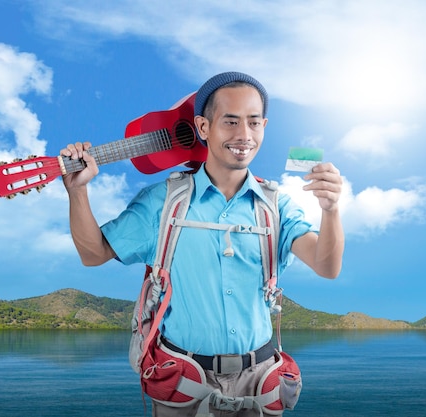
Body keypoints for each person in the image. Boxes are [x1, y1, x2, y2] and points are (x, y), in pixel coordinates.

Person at [60, 72, 345, 416]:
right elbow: (93, 254)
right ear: (203, 127)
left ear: (265, 126)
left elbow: (327, 267)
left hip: (261, 383)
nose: (244, 135)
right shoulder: (163, 203)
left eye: (254, 123)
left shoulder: (277, 207)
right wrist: (78, 191)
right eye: (230, 121)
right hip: (182, 382)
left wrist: (330, 211)